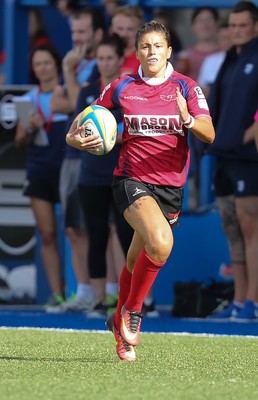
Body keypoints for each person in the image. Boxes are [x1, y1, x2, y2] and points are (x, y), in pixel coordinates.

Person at [66, 20, 215, 361]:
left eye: (158, 46)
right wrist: (74, 138)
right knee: (161, 243)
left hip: (170, 187)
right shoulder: (122, 86)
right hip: (130, 178)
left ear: (169, 51)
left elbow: (209, 133)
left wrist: (187, 119)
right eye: (145, 47)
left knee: (135, 260)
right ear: (136, 53)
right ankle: (131, 311)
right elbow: (82, 122)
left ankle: (119, 327)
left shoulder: (186, 88)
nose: (152, 52)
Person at [47, 7, 106, 313]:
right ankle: (83, 289)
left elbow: (70, 104)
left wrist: (69, 74)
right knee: (73, 227)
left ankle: (99, 291)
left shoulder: (100, 66)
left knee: (95, 226)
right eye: (74, 33)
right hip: (70, 151)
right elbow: (58, 101)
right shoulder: (77, 64)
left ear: (98, 34)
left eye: (82, 33)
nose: (77, 39)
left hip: (92, 152)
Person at [205, 1, 258, 321]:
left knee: (251, 224)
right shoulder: (230, 57)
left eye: (243, 25)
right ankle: (240, 298)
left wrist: (252, 130)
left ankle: (254, 299)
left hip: (248, 156)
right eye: (233, 25)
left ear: (255, 26)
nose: (238, 30)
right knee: (233, 228)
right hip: (223, 152)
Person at [77, 35, 134, 317]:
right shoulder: (87, 90)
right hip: (91, 175)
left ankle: (135, 301)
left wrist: (112, 136)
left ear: (120, 59)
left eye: (110, 58)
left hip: (122, 173)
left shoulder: (129, 91)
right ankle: (100, 300)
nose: (105, 63)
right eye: (100, 58)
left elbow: (135, 131)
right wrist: (86, 137)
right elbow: (75, 133)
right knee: (97, 236)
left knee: (127, 235)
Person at [14, 44, 69, 307]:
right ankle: (57, 294)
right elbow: (19, 141)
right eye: (38, 64)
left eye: (47, 62)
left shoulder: (68, 93)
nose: (42, 68)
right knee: (47, 234)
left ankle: (85, 291)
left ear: (56, 66)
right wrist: (28, 126)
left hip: (67, 167)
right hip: (38, 169)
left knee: (75, 231)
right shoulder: (28, 100)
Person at [175, 6, 220, 81]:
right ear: (193, 26)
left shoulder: (225, 55)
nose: (205, 25)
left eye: (209, 20)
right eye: (200, 21)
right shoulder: (185, 56)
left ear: (217, 24)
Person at [198, 20, 232, 97]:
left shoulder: (244, 61)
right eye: (223, 38)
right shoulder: (210, 60)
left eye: (229, 38)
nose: (227, 42)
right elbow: (200, 88)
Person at [109, 5, 144, 76]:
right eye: (120, 28)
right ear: (111, 30)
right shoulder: (102, 55)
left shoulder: (145, 59)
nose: (124, 34)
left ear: (140, 31)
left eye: (130, 29)